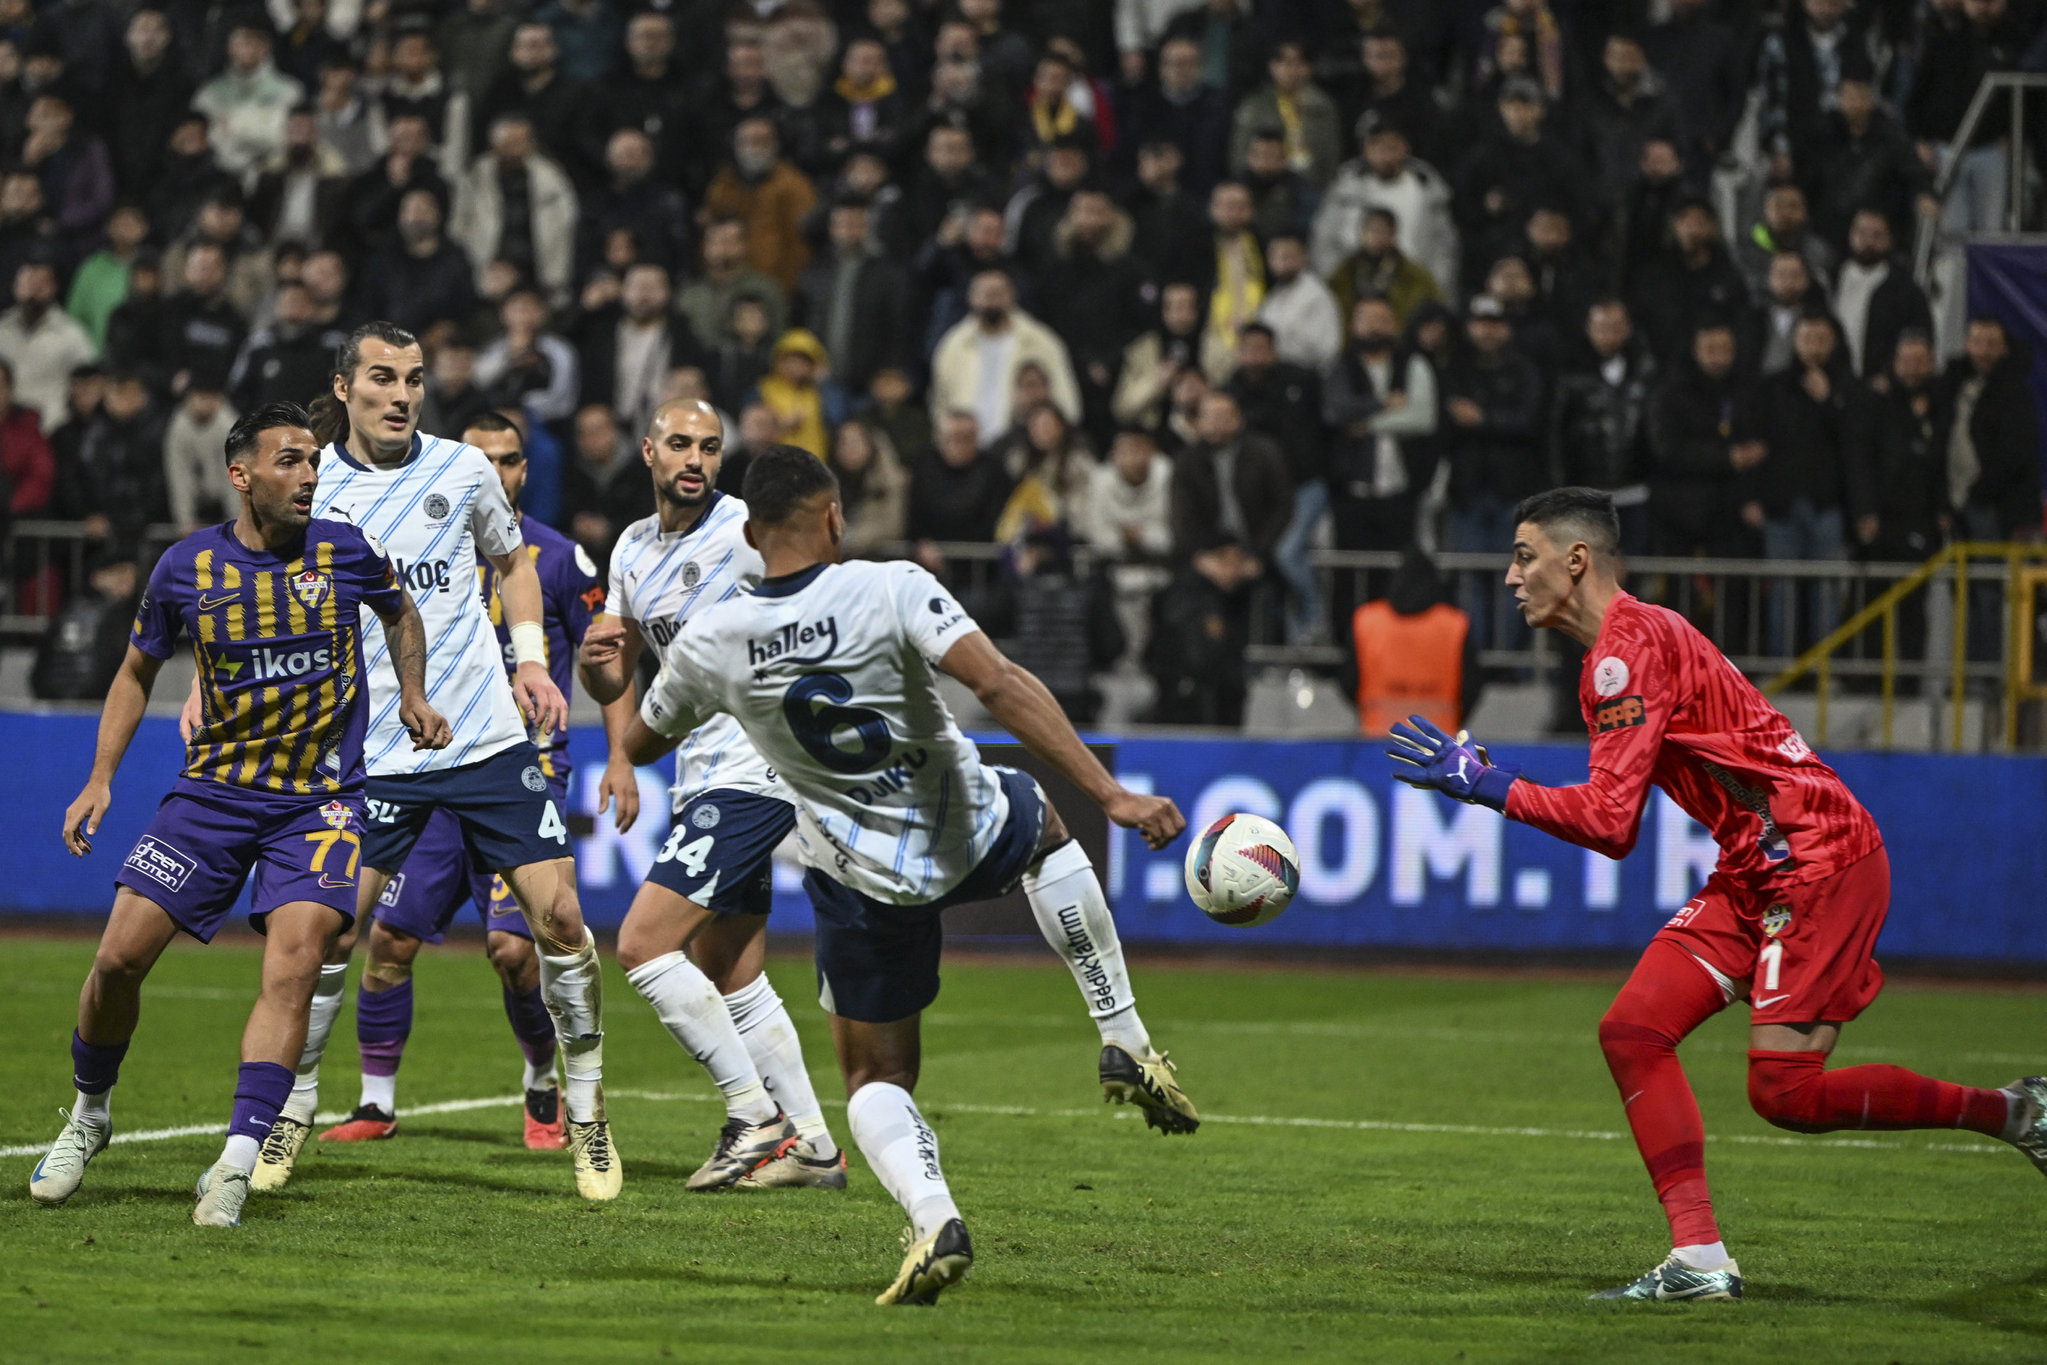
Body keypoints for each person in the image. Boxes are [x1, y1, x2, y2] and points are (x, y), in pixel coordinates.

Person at [1387, 484, 2047, 1302]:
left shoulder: (1624, 654)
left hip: (1815, 858)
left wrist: (1485, 784)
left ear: (1576, 558)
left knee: (1784, 1092)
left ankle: (2016, 1112)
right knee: (1632, 1030)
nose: (1511, 576)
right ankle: (1698, 1259)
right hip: (1756, 866)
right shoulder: (1631, 640)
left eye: (1524, 555)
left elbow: (1608, 822)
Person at [622, 445, 1195, 1303]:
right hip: (964, 825)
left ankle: (934, 1217)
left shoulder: (711, 640)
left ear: (746, 531)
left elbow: (639, 742)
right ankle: (1122, 1034)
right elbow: (998, 685)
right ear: (835, 517)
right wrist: (1107, 793)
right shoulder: (889, 585)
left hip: (861, 878)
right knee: (1039, 820)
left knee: (873, 1081)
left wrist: (608, 683)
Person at [30, 401, 448, 1226]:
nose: (308, 475)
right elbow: (134, 672)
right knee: (116, 960)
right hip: (212, 795)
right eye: (288, 461)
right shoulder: (185, 568)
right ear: (241, 474)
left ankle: (236, 1157)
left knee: (295, 960)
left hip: (318, 802)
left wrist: (410, 692)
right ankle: (89, 1115)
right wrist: (100, 778)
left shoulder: (346, 551)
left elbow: (402, 612)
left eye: (313, 461)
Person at [259, 322, 621, 1201]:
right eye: (382, 378)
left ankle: (587, 1112)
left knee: (561, 922)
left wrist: (531, 656)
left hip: (486, 741)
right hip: (371, 747)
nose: (402, 394)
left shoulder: (462, 469)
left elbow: (516, 564)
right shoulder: (314, 481)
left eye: (414, 379)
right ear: (343, 388)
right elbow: (261, 581)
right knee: (332, 935)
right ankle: (293, 1107)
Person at [574, 401, 845, 1189]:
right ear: (649, 450)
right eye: (681, 444)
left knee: (641, 942)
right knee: (728, 962)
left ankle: (753, 1116)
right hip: (698, 770)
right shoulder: (630, 546)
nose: (695, 458)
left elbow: (823, 584)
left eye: (711, 447)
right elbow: (614, 668)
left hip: (755, 767)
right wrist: (619, 746)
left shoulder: (743, 533)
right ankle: (815, 1146)